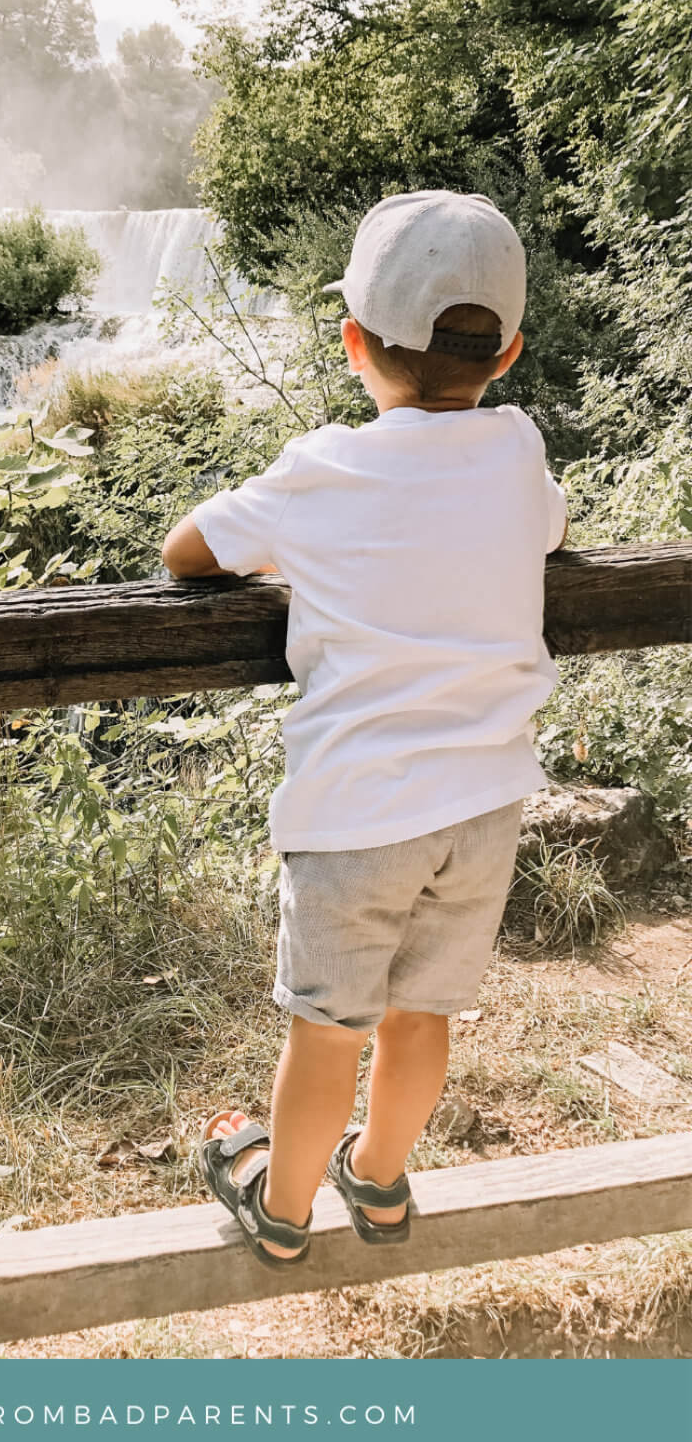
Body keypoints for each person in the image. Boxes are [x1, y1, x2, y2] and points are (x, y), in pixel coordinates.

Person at [160, 190, 568, 1267]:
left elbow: (185, 551)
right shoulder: (518, 452)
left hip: (357, 817)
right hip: (483, 806)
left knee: (327, 1028)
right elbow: (552, 523)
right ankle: (379, 1182)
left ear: (352, 342)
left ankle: (281, 1213)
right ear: (510, 352)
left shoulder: (321, 471)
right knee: (422, 1017)